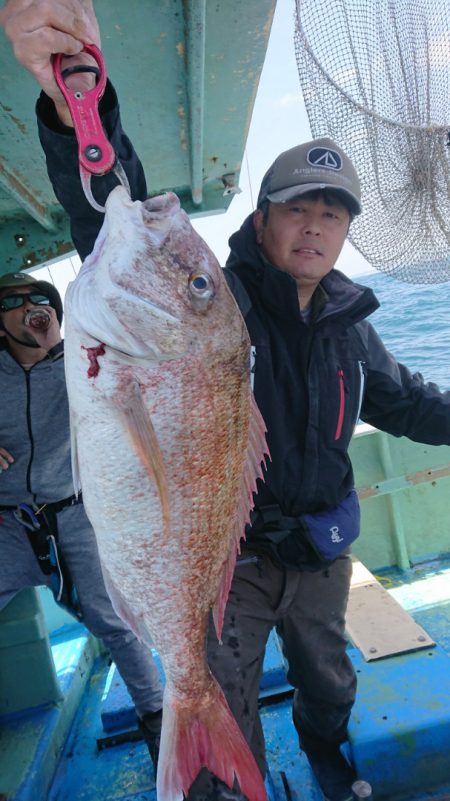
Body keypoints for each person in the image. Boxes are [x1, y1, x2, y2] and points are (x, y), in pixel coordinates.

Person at [3, 3, 450, 800]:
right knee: (220, 692)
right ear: (265, 216)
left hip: (320, 551)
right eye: (298, 207)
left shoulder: (351, 325)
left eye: (333, 213)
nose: (315, 227)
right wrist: (81, 109)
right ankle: (214, 782)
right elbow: (109, 205)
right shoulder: (219, 304)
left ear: (346, 233)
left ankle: (324, 747)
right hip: (225, 560)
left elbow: (413, 405)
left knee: (331, 681)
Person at [0, 270, 163, 773]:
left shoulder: (85, 364)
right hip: (7, 525)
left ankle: (160, 723)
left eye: (40, 299)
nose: (32, 307)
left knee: (115, 624)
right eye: (15, 303)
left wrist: (60, 349)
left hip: (76, 515)